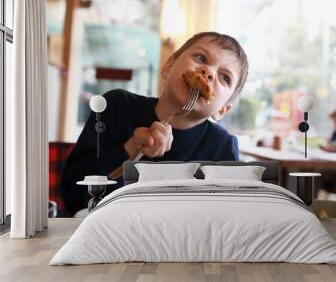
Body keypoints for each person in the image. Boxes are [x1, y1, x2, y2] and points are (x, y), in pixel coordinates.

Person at [59, 32, 249, 216]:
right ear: (168, 66)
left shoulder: (222, 146)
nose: (208, 72)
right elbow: (73, 197)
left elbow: (223, 219)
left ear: (222, 109)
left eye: (225, 77)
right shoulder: (116, 106)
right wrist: (130, 150)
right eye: (200, 57)